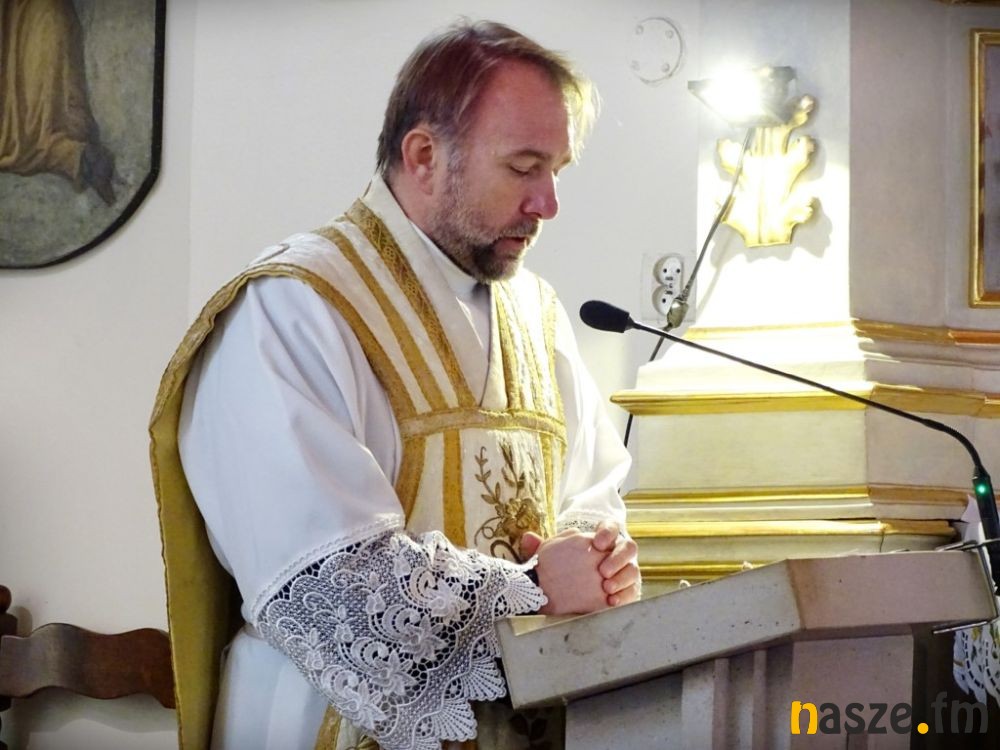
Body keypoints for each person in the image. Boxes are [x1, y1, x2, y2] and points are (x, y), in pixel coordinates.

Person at [149, 19, 639, 750]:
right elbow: (331, 585)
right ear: (424, 156)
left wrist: (597, 556)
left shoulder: (538, 315)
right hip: (322, 722)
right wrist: (537, 587)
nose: (548, 203)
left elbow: (593, 491)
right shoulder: (294, 305)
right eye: (523, 167)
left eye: (557, 171)